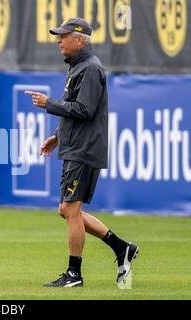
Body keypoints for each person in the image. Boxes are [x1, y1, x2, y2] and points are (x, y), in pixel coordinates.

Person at [25, 17, 138, 287]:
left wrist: (49, 103)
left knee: (72, 210)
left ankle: (74, 274)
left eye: (63, 36)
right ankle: (122, 248)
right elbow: (76, 110)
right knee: (66, 209)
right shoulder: (79, 67)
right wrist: (57, 136)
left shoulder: (89, 68)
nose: (58, 41)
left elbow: (84, 110)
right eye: (58, 36)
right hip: (75, 146)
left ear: (79, 39)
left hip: (84, 149)